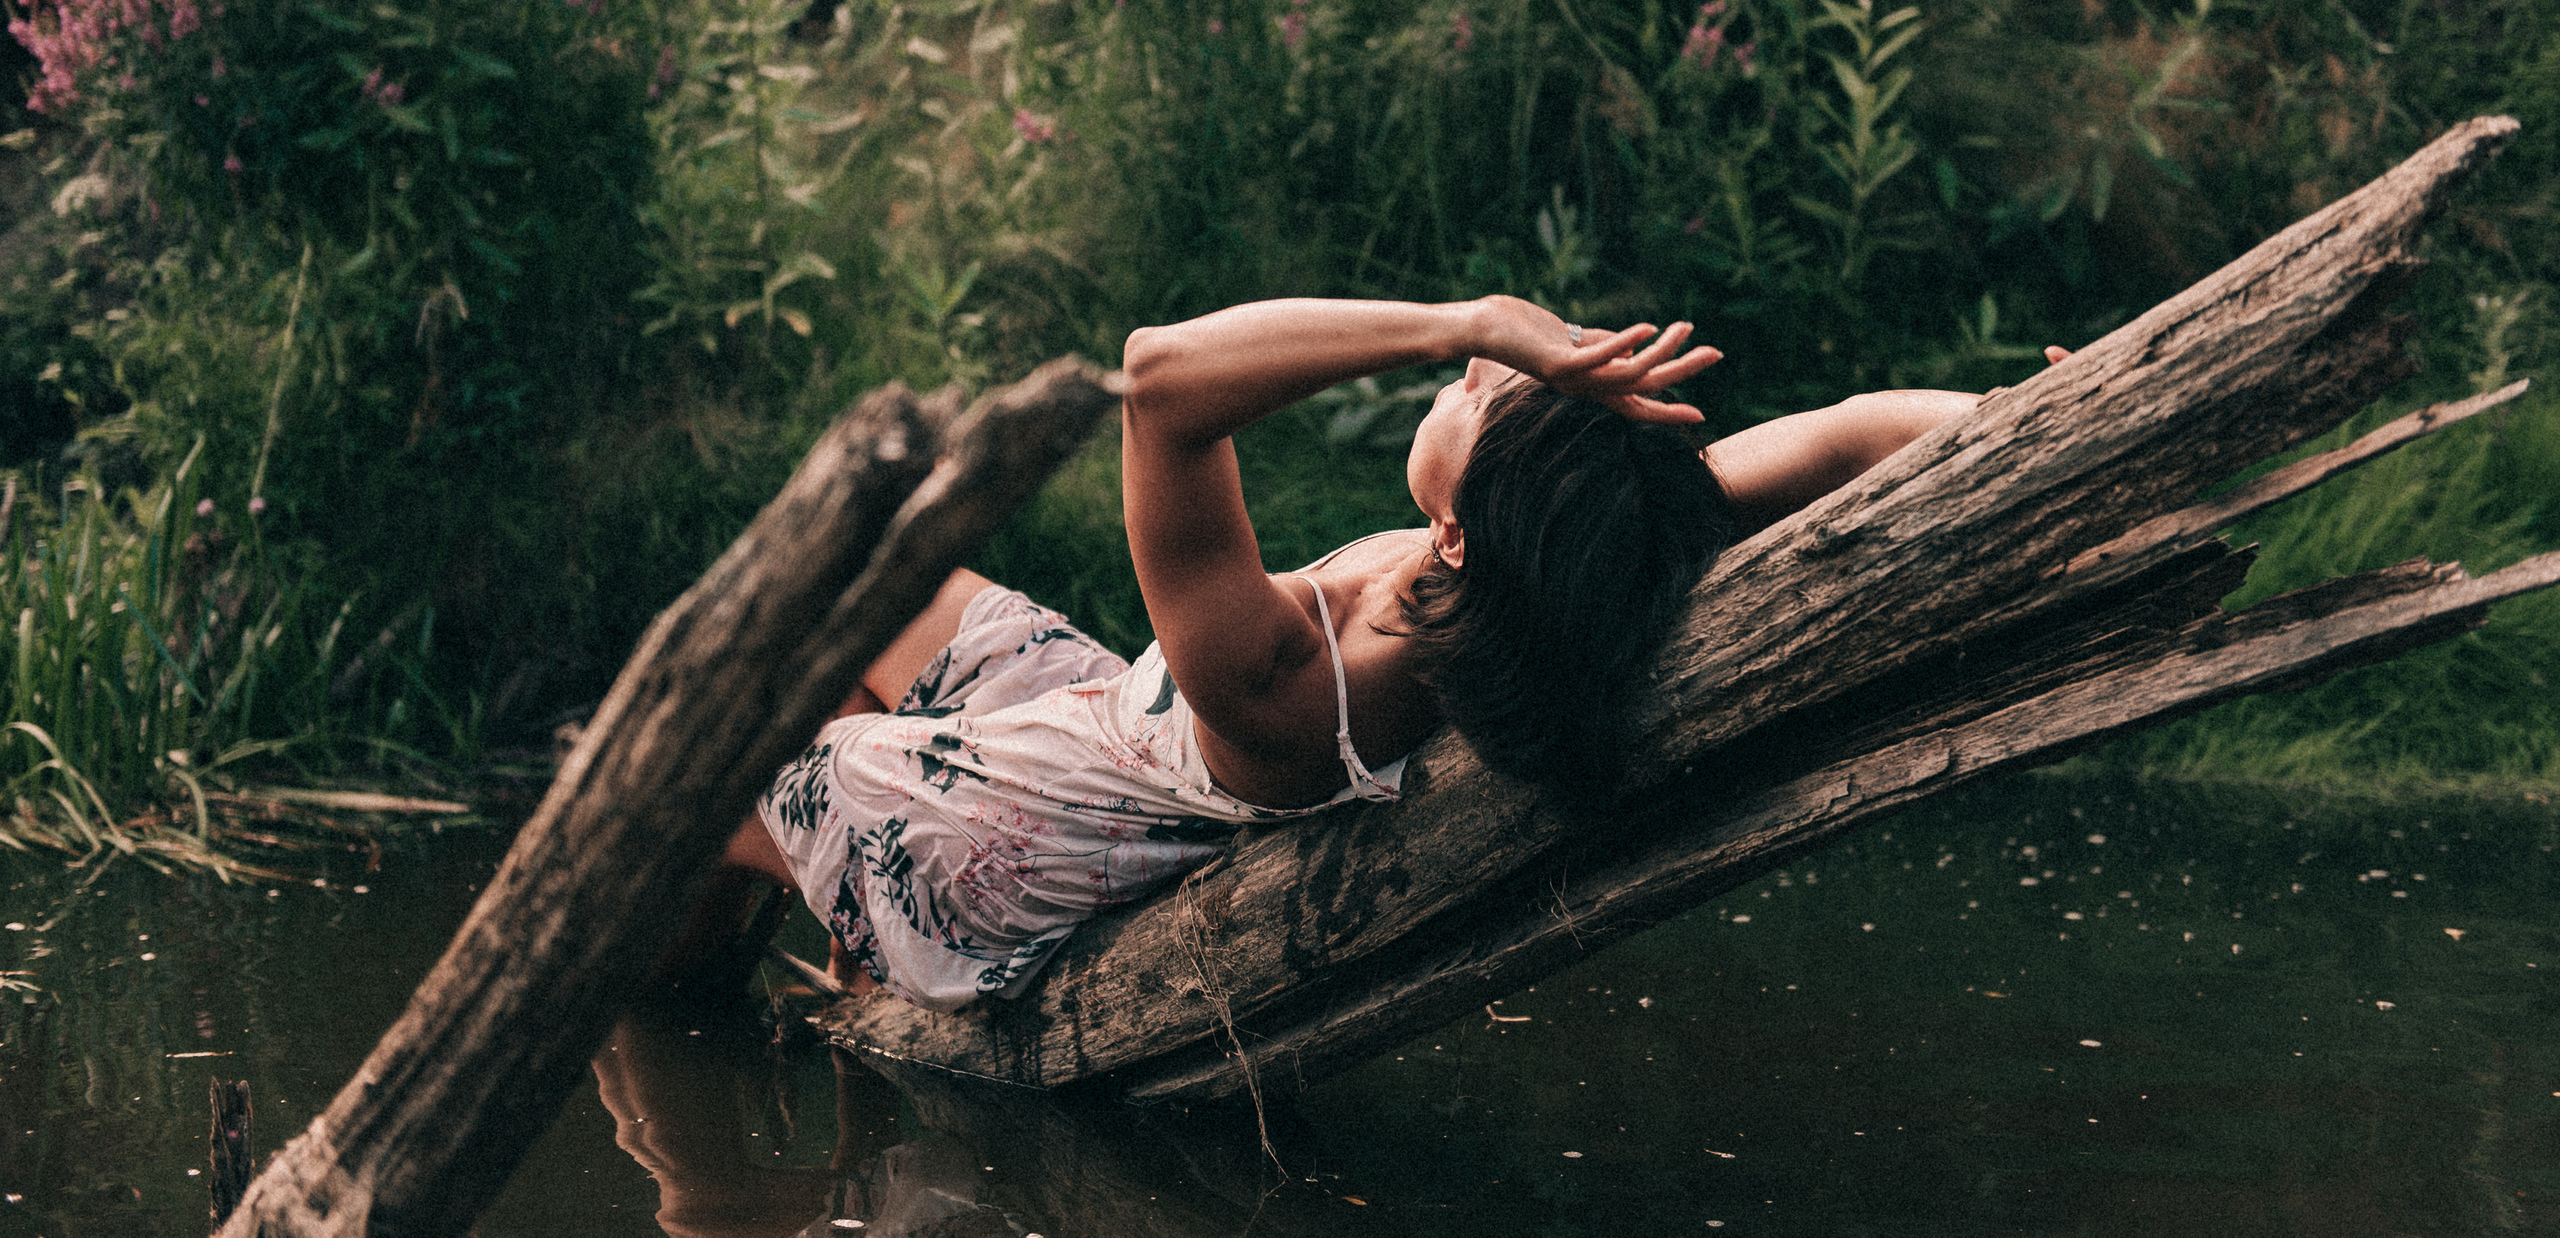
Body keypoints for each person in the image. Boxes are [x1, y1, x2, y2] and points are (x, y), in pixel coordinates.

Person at [681, 295, 2042, 1012]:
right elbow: (1858, 429)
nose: (1466, 381)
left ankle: (676, 1105)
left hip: (1022, 833)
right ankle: (809, 947)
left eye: (1478, 398)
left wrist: (1463, 319)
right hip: (1105, 710)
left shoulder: (1282, 683)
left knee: (703, 812)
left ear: (1454, 530)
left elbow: (1156, 378)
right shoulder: (1571, 560)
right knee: (858, 591)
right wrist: (2056, 400)